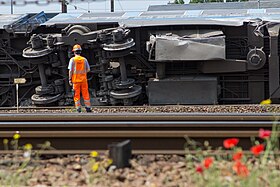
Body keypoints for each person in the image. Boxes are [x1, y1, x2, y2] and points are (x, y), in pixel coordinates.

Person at [68, 44, 92, 113]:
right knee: (86, 94)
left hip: (75, 81)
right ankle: (88, 108)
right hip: (84, 80)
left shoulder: (72, 60)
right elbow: (88, 70)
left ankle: (78, 109)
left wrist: (70, 79)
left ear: (74, 52)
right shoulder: (84, 59)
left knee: (76, 95)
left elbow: (70, 71)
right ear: (80, 52)